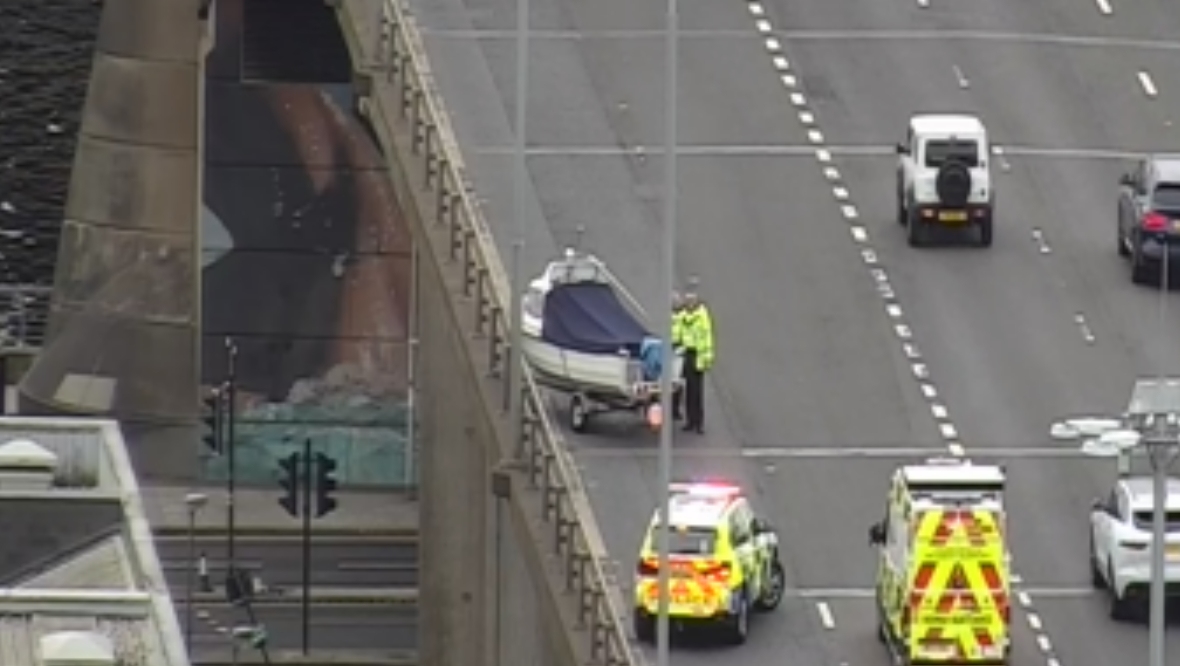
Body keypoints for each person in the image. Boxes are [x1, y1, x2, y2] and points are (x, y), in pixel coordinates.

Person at [678, 291, 714, 433]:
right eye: (687, 301)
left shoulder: (702, 318)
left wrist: (706, 360)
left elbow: (707, 340)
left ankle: (699, 423)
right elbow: (678, 334)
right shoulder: (683, 317)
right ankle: (690, 421)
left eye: (691, 301)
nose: (689, 304)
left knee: (697, 392)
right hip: (687, 354)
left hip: (698, 357)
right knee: (688, 391)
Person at [670, 292, 686, 421]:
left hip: (678, 350)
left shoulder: (682, 317)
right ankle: (672, 409)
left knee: (677, 383)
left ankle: (674, 409)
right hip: (670, 349)